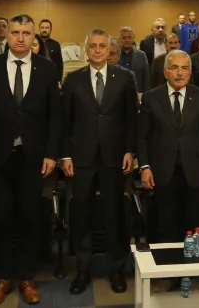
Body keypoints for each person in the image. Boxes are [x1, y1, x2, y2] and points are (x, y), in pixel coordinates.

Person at [0, 15, 61, 307]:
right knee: (0, 217)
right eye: (15, 32)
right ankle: (3, 276)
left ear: (34, 37)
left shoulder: (47, 69)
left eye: (26, 33)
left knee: (29, 216)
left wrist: (51, 153)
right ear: (6, 35)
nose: (20, 38)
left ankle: (26, 276)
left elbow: (55, 116)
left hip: (33, 157)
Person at [61, 29, 137, 296]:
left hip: (114, 157)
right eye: (92, 46)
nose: (96, 50)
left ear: (108, 50)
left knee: (114, 214)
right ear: (86, 50)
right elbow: (64, 121)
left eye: (101, 46)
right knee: (81, 214)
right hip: (81, 158)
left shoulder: (125, 78)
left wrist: (130, 151)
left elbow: (131, 118)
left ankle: (115, 268)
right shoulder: (73, 80)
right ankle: (83, 269)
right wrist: (65, 155)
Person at [138, 50, 199, 247]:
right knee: (166, 225)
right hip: (162, 172)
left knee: (195, 225)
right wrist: (145, 167)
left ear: (190, 72)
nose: (180, 73)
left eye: (184, 68)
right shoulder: (150, 98)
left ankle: (192, 263)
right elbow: (142, 137)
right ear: (165, 72)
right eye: (174, 68)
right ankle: (168, 263)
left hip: (195, 171)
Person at [117, 26, 150, 92]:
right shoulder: (115, 55)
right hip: (118, 92)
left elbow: (146, 78)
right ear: (119, 39)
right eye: (124, 38)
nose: (127, 40)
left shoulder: (141, 55)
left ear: (133, 38)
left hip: (137, 92)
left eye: (129, 37)